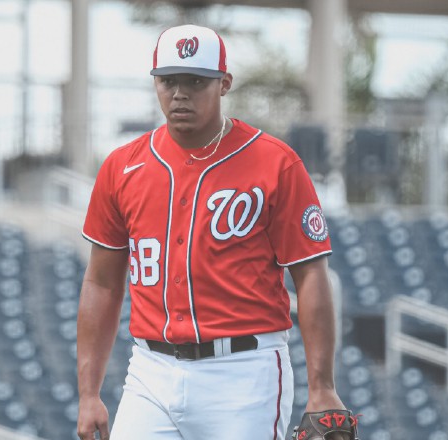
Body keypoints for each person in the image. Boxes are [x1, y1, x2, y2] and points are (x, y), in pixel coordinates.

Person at [77, 24, 351, 440]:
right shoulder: (122, 167)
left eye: (196, 81)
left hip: (244, 374)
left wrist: (322, 386)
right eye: (169, 80)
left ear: (224, 84)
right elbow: (101, 282)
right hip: (151, 371)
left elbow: (311, 275)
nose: (180, 93)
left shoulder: (275, 163)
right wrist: (89, 393)